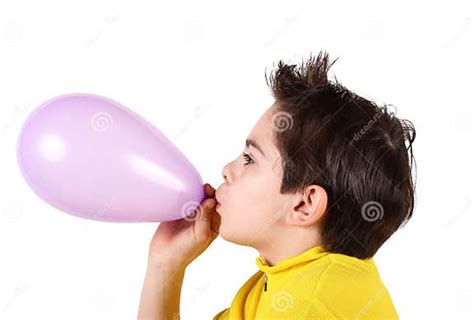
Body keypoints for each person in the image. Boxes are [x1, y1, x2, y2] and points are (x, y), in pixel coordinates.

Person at [138, 50, 416, 319]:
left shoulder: (308, 305)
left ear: (304, 204)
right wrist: (165, 265)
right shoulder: (283, 283)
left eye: (249, 159)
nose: (226, 171)